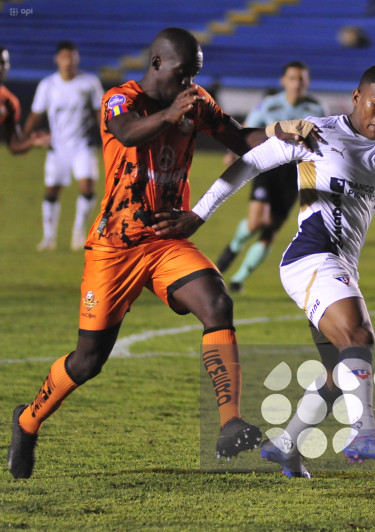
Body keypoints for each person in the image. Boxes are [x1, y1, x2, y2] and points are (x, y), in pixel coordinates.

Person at [7, 27, 313, 480]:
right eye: (183, 74)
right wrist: (171, 113)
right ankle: (27, 420)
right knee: (88, 360)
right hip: (115, 246)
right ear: (156, 65)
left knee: (217, 301)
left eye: (195, 76)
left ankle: (229, 422)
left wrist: (280, 135)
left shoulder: (194, 101)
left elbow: (237, 137)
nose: (189, 84)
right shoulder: (121, 99)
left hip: (165, 239)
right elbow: (126, 134)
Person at [187, 65, 375, 477]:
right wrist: (196, 216)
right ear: (356, 97)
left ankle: (286, 446)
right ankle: (363, 432)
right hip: (310, 257)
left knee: (335, 372)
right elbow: (250, 164)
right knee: (359, 335)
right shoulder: (316, 134)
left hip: (339, 265)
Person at [216, 61, 325, 292]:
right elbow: (247, 129)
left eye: (301, 79)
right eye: (293, 78)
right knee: (256, 221)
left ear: (307, 82)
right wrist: (231, 153)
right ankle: (233, 248)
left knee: (271, 230)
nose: (297, 83)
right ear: (283, 81)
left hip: (294, 174)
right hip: (267, 168)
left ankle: (238, 279)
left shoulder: (315, 109)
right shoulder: (269, 105)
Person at [23, 41, 105, 251]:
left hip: (83, 146)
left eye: (72, 57)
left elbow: (99, 111)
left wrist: (107, 135)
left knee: (87, 188)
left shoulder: (89, 82)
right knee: (52, 191)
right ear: (57, 59)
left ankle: (78, 230)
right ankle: (49, 237)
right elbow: (36, 113)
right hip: (58, 148)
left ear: (77, 59)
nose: (68, 61)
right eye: (64, 57)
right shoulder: (48, 85)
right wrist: (24, 137)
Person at [0, 46, 51, 154]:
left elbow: (14, 145)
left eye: (3, 62)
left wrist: (32, 141)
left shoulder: (9, 102)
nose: (1, 67)